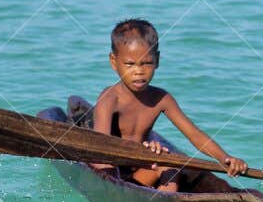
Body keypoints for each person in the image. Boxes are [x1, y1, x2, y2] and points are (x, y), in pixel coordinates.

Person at [91, 19, 248, 191]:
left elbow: (194, 134)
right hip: (112, 172)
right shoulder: (109, 99)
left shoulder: (161, 98)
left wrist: (224, 158)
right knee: (115, 164)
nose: (138, 71)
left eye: (147, 63)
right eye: (130, 64)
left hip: (141, 172)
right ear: (114, 62)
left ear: (157, 60)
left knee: (168, 165)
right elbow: (100, 149)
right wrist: (139, 153)